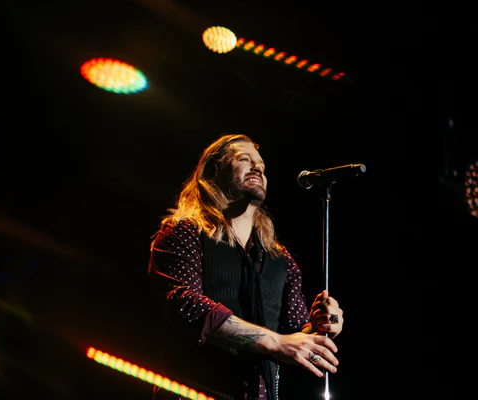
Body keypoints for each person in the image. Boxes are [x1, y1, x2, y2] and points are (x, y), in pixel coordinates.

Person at [147, 133, 344, 400]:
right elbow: (186, 305)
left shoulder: (280, 258)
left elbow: (294, 331)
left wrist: (322, 325)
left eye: (261, 165)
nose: (257, 168)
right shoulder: (184, 232)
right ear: (213, 171)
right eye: (244, 159)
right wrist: (275, 342)